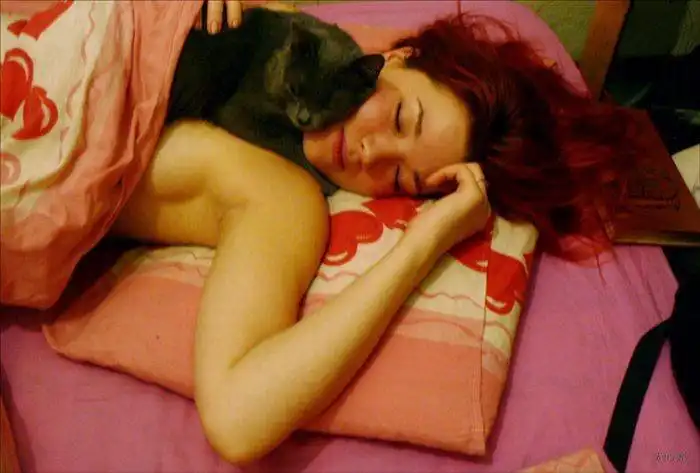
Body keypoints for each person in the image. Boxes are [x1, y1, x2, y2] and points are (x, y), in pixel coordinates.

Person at [111, 0, 639, 465]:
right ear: (396, 58)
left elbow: (238, 418)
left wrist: (424, 243)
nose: (371, 153)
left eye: (401, 178)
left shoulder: (283, 198)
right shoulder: (288, 39)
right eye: (400, 118)